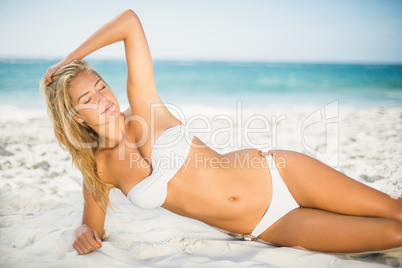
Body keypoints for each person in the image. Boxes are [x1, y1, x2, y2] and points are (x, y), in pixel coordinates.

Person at [41, 9, 402, 255]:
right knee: (394, 235)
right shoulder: (99, 170)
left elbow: (130, 22)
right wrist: (80, 234)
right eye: (86, 98)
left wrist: (66, 62)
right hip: (270, 225)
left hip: (281, 174)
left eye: (101, 86)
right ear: (75, 117)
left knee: (394, 211)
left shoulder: (145, 105)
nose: (101, 98)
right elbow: (91, 227)